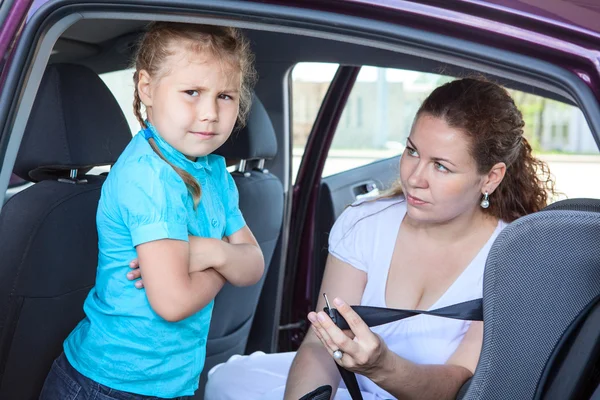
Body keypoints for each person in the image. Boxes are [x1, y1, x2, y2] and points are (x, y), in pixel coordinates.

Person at [204, 77, 557, 400]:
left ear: (491, 178)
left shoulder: (511, 260)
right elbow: (318, 345)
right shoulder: (365, 222)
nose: (414, 177)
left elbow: (459, 383)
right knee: (226, 380)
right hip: (347, 387)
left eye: (441, 166)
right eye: (412, 151)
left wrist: (382, 366)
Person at [40, 22, 264, 400]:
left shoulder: (214, 173)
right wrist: (227, 263)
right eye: (192, 92)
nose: (210, 112)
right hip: (110, 383)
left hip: (170, 379)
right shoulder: (148, 177)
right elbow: (174, 302)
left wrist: (209, 252)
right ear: (147, 88)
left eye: (225, 96)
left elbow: (254, 264)